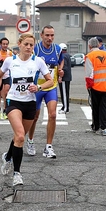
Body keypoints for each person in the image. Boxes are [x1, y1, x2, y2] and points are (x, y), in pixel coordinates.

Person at [0, 33, 54, 186]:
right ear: (19, 44)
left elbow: (50, 81)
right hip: (13, 102)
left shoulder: (38, 61)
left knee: (19, 137)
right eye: (26, 44)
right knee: (20, 136)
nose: (28, 47)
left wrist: (38, 87)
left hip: (30, 103)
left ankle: (7, 156)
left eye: (31, 45)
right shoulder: (10, 61)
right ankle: (17, 174)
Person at [27, 25, 64, 158]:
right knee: (34, 117)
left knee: (53, 115)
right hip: (36, 88)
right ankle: (30, 140)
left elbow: (61, 61)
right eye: (47, 35)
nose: (50, 38)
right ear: (41, 35)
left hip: (51, 86)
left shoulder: (57, 49)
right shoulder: (35, 49)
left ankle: (48, 146)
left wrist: (60, 70)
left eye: (52, 35)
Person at [84, 37, 106, 136]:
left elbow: (89, 74)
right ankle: (104, 128)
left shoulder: (89, 56)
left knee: (95, 107)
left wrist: (89, 86)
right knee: (104, 107)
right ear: (99, 45)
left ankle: (96, 127)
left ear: (89, 46)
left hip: (95, 86)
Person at [0, 37, 13, 120]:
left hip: (7, 75)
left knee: (6, 92)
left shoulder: (10, 53)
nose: (5, 45)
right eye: (3, 44)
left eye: (6, 44)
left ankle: (5, 111)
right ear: (0, 44)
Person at [58, 43, 72, 114]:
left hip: (64, 78)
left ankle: (66, 108)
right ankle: (64, 106)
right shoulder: (67, 55)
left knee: (64, 93)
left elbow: (64, 68)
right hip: (67, 78)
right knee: (65, 93)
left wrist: (60, 76)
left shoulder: (63, 56)